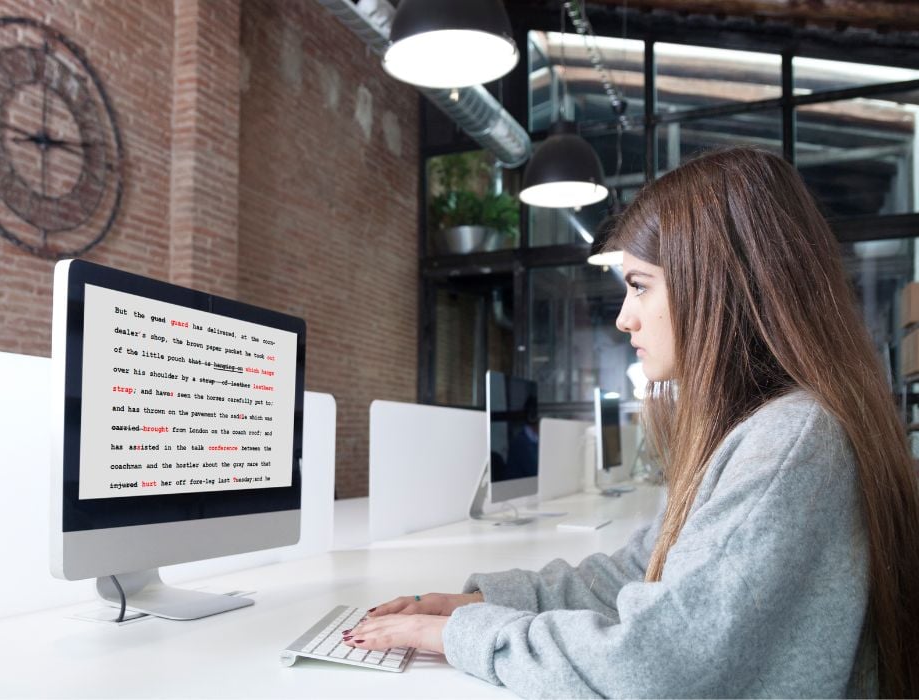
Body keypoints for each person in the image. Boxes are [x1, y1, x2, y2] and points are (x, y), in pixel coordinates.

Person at [343, 147, 919, 698]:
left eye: (640, 285)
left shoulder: (790, 438)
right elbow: (639, 570)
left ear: (718, 282)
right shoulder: (756, 427)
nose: (623, 318)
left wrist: (462, 637)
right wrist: (479, 603)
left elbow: (653, 666)